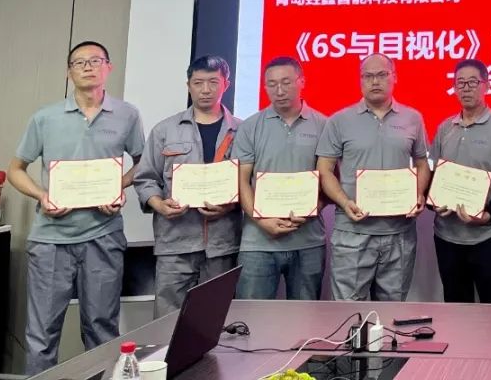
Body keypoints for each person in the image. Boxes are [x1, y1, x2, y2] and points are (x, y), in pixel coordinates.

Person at [7, 41, 145, 375]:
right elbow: (15, 169)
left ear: (108, 67)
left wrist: (119, 186)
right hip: (51, 240)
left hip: (103, 237)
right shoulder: (45, 118)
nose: (87, 67)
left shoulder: (127, 115)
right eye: (78, 62)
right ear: (69, 72)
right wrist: (42, 195)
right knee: (42, 334)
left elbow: (144, 162)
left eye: (95, 60)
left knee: (101, 329)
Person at [134, 55, 242, 317]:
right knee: (167, 320)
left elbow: (250, 184)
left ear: (225, 85)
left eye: (213, 82)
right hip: (175, 243)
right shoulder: (164, 131)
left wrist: (231, 205)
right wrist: (159, 204)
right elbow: (145, 178)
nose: (205, 90)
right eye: (198, 83)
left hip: (222, 244)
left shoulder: (242, 131)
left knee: (217, 319)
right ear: (188, 85)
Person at [316, 53, 430, 301]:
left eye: (381, 75)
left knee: (392, 310)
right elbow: (324, 170)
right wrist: (344, 202)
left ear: (394, 77)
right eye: (368, 76)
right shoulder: (339, 120)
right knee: (349, 311)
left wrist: (419, 194)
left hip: (398, 233)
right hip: (353, 232)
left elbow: (422, 163)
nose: (375, 81)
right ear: (360, 80)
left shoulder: (413, 118)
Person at [234, 56, 328, 300]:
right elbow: (241, 180)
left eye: (286, 82)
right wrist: (261, 219)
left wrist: (312, 209)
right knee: (252, 317)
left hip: (308, 241)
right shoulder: (250, 127)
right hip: (258, 242)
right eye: (272, 84)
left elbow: (330, 179)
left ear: (301, 81)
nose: (279, 90)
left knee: (305, 317)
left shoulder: (324, 125)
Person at [430, 59, 491, 303]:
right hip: (447, 236)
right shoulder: (444, 129)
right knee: (456, 307)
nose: (466, 88)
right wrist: (434, 203)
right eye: (460, 83)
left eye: (472, 82)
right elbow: (434, 175)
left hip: (488, 236)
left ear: (486, 86)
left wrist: (489, 215)